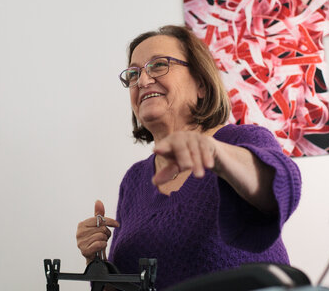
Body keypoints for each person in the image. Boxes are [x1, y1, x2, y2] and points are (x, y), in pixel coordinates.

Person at [76, 25, 301, 290]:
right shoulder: (134, 180)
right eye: (134, 73)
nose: (143, 80)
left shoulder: (243, 141)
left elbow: (282, 187)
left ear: (202, 85)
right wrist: (96, 259)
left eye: (159, 65)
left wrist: (215, 153)